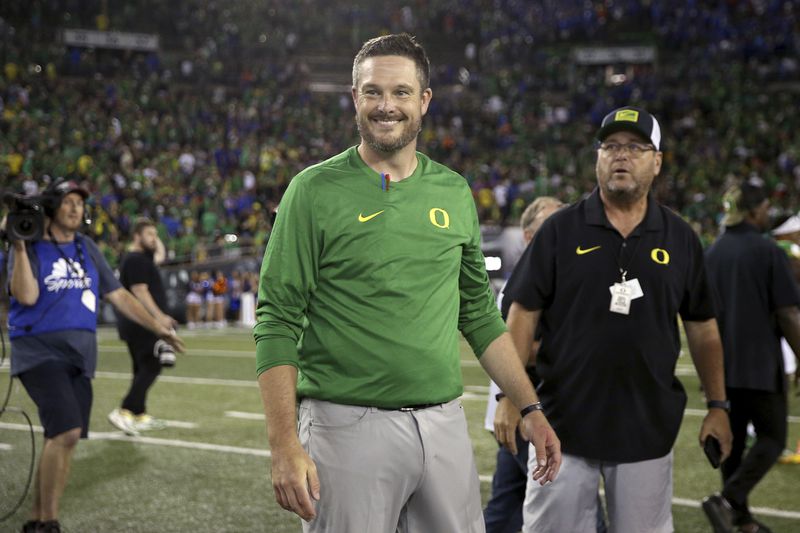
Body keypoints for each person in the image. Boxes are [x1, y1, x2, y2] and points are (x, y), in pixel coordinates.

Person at [253, 33, 561, 533]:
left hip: (443, 426)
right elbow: (277, 320)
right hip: (345, 428)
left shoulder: (454, 191)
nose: (385, 105)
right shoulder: (312, 191)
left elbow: (479, 314)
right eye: (372, 92)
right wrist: (284, 445)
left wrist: (529, 406)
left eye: (400, 92)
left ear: (424, 100)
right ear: (355, 99)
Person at [504, 106, 733, 533]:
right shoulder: (559, 230)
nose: (621, 156)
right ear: (597, 158)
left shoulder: (680, 238)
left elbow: (703, 328)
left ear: (657, 161)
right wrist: (510, 398)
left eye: (635, 147)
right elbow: (522, 313)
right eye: (610, 146)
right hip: (561, 426)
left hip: (646, 428)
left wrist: (718, 405)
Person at [6, 179, 184, 533]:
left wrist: (157, 327)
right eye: (68, 202)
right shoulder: (30, 244)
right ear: (52, 207)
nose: (75, 208)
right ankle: (50, 522)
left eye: (80, 203)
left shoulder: (87, 248)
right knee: (68, 431)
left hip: (80, 356)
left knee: (61, 437)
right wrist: (21, 248)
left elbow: (119, 297)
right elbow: (25, 296)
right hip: (39, 352)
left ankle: (36, 520)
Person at [702, 182, 800, 533]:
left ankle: (739, 521)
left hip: (720, 366)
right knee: (773, 438)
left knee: (735, 443)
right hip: (760, 364)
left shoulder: (711, 253)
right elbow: (788, 314)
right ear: (756, 210)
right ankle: (728, 501)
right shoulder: (767, 250)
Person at [483, 196, 567, 533]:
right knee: (571, 507)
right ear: (529, 237)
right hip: (524, 410)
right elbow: (512, 348)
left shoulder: (551, 276)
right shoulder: (524, 283)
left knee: (505, 508)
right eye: (552, 227)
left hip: (520, 412)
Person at [108, 218, 179, 437]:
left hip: (138, 324)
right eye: (149, 234)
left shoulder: (141, 258)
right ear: (136, 237)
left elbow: (161, 254)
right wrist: (159, 319)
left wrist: (155, 238)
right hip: (141, 323)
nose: (154, 238)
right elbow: (140, 292)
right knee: (152, 365)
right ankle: (126, 409)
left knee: (141, 368)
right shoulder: (136, 259)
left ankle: (138, 413)